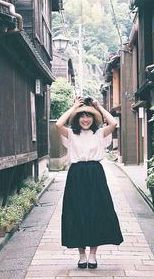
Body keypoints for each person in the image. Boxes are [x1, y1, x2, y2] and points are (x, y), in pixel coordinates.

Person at [55, 96, 123, 269]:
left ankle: (93, 255)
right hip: (76, 174)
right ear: (77, 119)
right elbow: (58, 124)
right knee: (76, 212)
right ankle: (82, 255)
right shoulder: (71, 133)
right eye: (82, 116)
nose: (85, 119)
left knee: (96, 212)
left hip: (95, 174)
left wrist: (98, 107)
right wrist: (73, 107)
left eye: (89, 116)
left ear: (94, 118)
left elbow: (113, 123)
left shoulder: (99, 133)